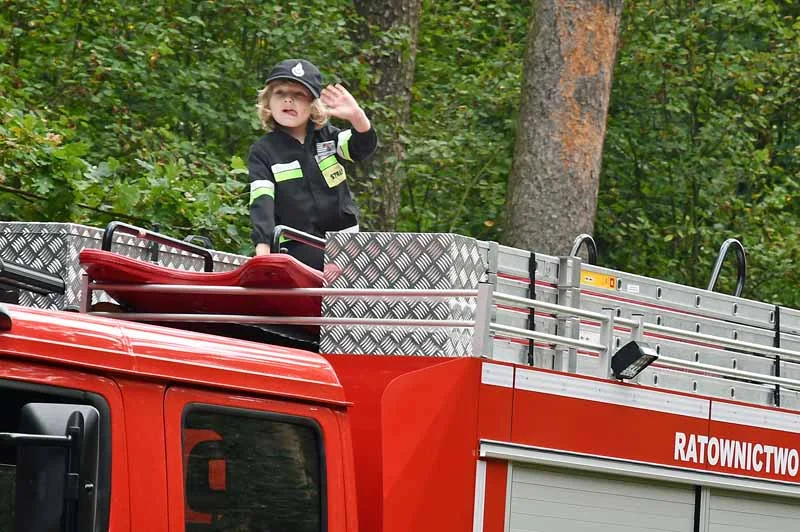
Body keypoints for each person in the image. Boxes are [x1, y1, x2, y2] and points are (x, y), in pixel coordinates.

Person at [247, 58, 377, 270]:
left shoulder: (328, 137)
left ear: (313, 104)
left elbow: (361, 148)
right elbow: (262, 203)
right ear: (268, 102)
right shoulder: (263, 151)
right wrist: (263, 255)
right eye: (280, 93)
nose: (288, 100)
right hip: (295, 246)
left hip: (344, 242)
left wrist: (357, 117)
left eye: (299, 94)